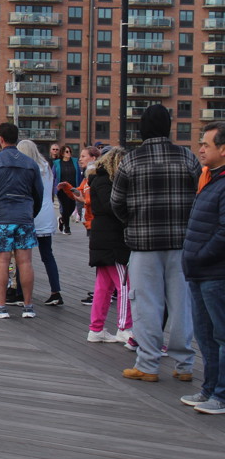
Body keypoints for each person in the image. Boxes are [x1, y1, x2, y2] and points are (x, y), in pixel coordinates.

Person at [111, 104, 201, 382]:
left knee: (146, 305)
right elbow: (200, 197)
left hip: (144, 244)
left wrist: (133, 222)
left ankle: (148, 364)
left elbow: (117, 202)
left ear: (142, 129)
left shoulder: (131, 160)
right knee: (182, 305)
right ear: (169, 127)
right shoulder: (187, 157)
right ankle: (184, 365)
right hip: (182, 243)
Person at [0, 123, 44, 319]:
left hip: (1, 217)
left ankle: (1, 306)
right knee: (25, 262)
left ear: (0, 139)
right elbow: (39, 193)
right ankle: (28, 306)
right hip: (24, 216)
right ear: (17, 138)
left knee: (2, 262)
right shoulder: (30, 164)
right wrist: (31, 212)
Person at [182, 122, 225, 413]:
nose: (200, 149)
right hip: (199, 272)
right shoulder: (210, 179)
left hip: (215, 273)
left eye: (206, 145)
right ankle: (209, 389)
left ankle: (221, 396)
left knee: (221, 336)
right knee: (206, 336)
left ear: (223, 149)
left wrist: (200, 256)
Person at [84, 146, 133, 343]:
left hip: (101, 237)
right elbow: (112, 206)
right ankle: (124, 327)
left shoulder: (97, 179)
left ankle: (96, 328)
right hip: (113, 239)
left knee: (103, 287)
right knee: (124, 284)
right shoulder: (107, 182)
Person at [14, 140, 63, 306]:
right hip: (47, 213)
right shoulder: (45, 166)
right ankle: (56, 291)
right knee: (47, 255)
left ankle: (20, 291)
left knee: (22, 255)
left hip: (30, 213)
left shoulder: (26, 168)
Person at [53, 145, 80, 234]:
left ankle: (62, 219)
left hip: (72, 188)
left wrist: (79, 188)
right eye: (67, 151)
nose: (69, 153)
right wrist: (54, 189)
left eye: (70, 151)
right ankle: (67, 228)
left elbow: (79, 176)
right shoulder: (57, 163)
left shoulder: (75, 162)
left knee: (72, 207)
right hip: (61, 189)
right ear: (62, 153)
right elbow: (53, 176)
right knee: (65, 207)